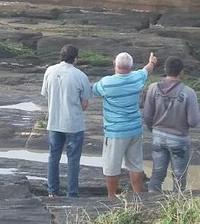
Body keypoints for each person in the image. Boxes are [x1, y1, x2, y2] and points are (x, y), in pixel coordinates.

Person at [92, 51, 157, 197]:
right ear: (131, 67)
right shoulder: (137, 78)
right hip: (134, 128)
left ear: (114, 65)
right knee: (135, 165)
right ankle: (137, 195)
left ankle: (111, 196)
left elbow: (93, 90)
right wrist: (152, 61)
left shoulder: (106, 83)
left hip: (115, 131)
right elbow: (147, 69)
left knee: (111, 167)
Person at [41, 44, 92, 197]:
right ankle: (72, 193)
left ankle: (52, 191)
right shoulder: (80, 76)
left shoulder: (50, 71)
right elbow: (84, 103)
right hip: (74, 124)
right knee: (73, 160)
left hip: (54, 122)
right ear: (75, 59)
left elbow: (45, 94)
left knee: (53, 156)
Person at [143, 57, 200, 192]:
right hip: (179, 139)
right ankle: (177, 205)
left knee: (157, 173)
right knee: (179, 176)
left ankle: (152, 201)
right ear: (181, 73)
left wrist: (153, 129)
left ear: (165, 70)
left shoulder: (152, 88)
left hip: (158, 136)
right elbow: (193, 121)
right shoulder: (188, 92)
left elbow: (147, 115)